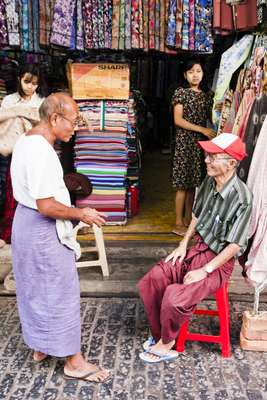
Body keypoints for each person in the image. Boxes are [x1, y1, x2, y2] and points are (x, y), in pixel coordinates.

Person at [10, 92, 110, 383]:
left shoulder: (28, 140)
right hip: (41, 228)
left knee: (35, 290)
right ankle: (74, 361)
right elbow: (46, 205)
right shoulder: (40, 151)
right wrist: (82, 214)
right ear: (54, 118)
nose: (75, 127)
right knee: (60, 292)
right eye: (73, 121)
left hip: (26, 224)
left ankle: (42, 345)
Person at [138, 133, 252, 363]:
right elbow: (197, 215)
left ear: (231, 163)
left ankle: (168, 343)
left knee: (174, 296)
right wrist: (182, 245)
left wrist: (205, 270)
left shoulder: (242, 198)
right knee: (153, 279)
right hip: (197, 250)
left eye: (213, 156)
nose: (206, 160)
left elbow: (235, 245)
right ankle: (163, 333)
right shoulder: (210, 182)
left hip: (218, 263)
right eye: (207, 155)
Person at [0, 63, 46, 249]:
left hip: (36, 153)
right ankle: (6, 234)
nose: (30, 87)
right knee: (12, 193)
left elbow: (46, 124)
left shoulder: (42, 101)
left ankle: (31, 234)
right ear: (19, 79)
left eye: (34, 83)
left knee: (35, 193)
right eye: (27, 82)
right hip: (15, 152)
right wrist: (22, 113)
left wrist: (24, 115)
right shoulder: (9, 101)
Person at [172, 58, 216, 236]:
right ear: (185, 75)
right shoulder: (181, 93)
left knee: (193, 185)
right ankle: (177, 222)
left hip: (199, 144)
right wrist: (202, 130)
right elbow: (178, 120)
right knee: (182, 185)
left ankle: (189, 220)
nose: (195, 75)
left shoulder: (207, 96)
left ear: (203, 73)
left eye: (198, 71)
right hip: (185, 142)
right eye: (191, 72)